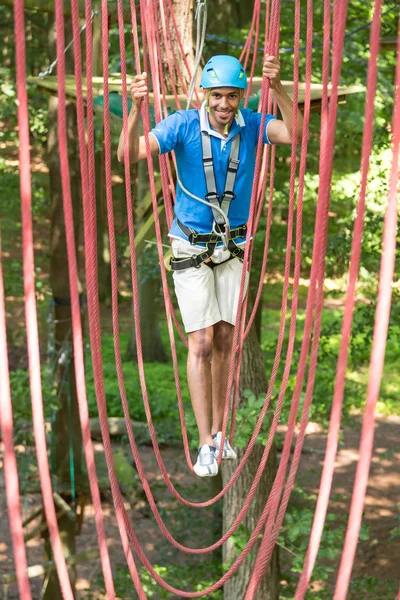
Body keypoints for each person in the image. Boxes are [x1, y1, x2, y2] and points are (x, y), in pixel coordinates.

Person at [117, 55, 303, 477]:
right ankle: (204, 442)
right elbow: (128, 153)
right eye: (217, 95)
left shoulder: (253, 125)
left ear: (241, 96)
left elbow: (296, 134)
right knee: (200, 342)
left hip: (234, 248)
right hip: (191, 247)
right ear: (205, 93)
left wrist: (279, 91)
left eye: (231, 95)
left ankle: (220, 434)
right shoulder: (182, 125)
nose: (224, 103)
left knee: (225, 340)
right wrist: (134, 109)